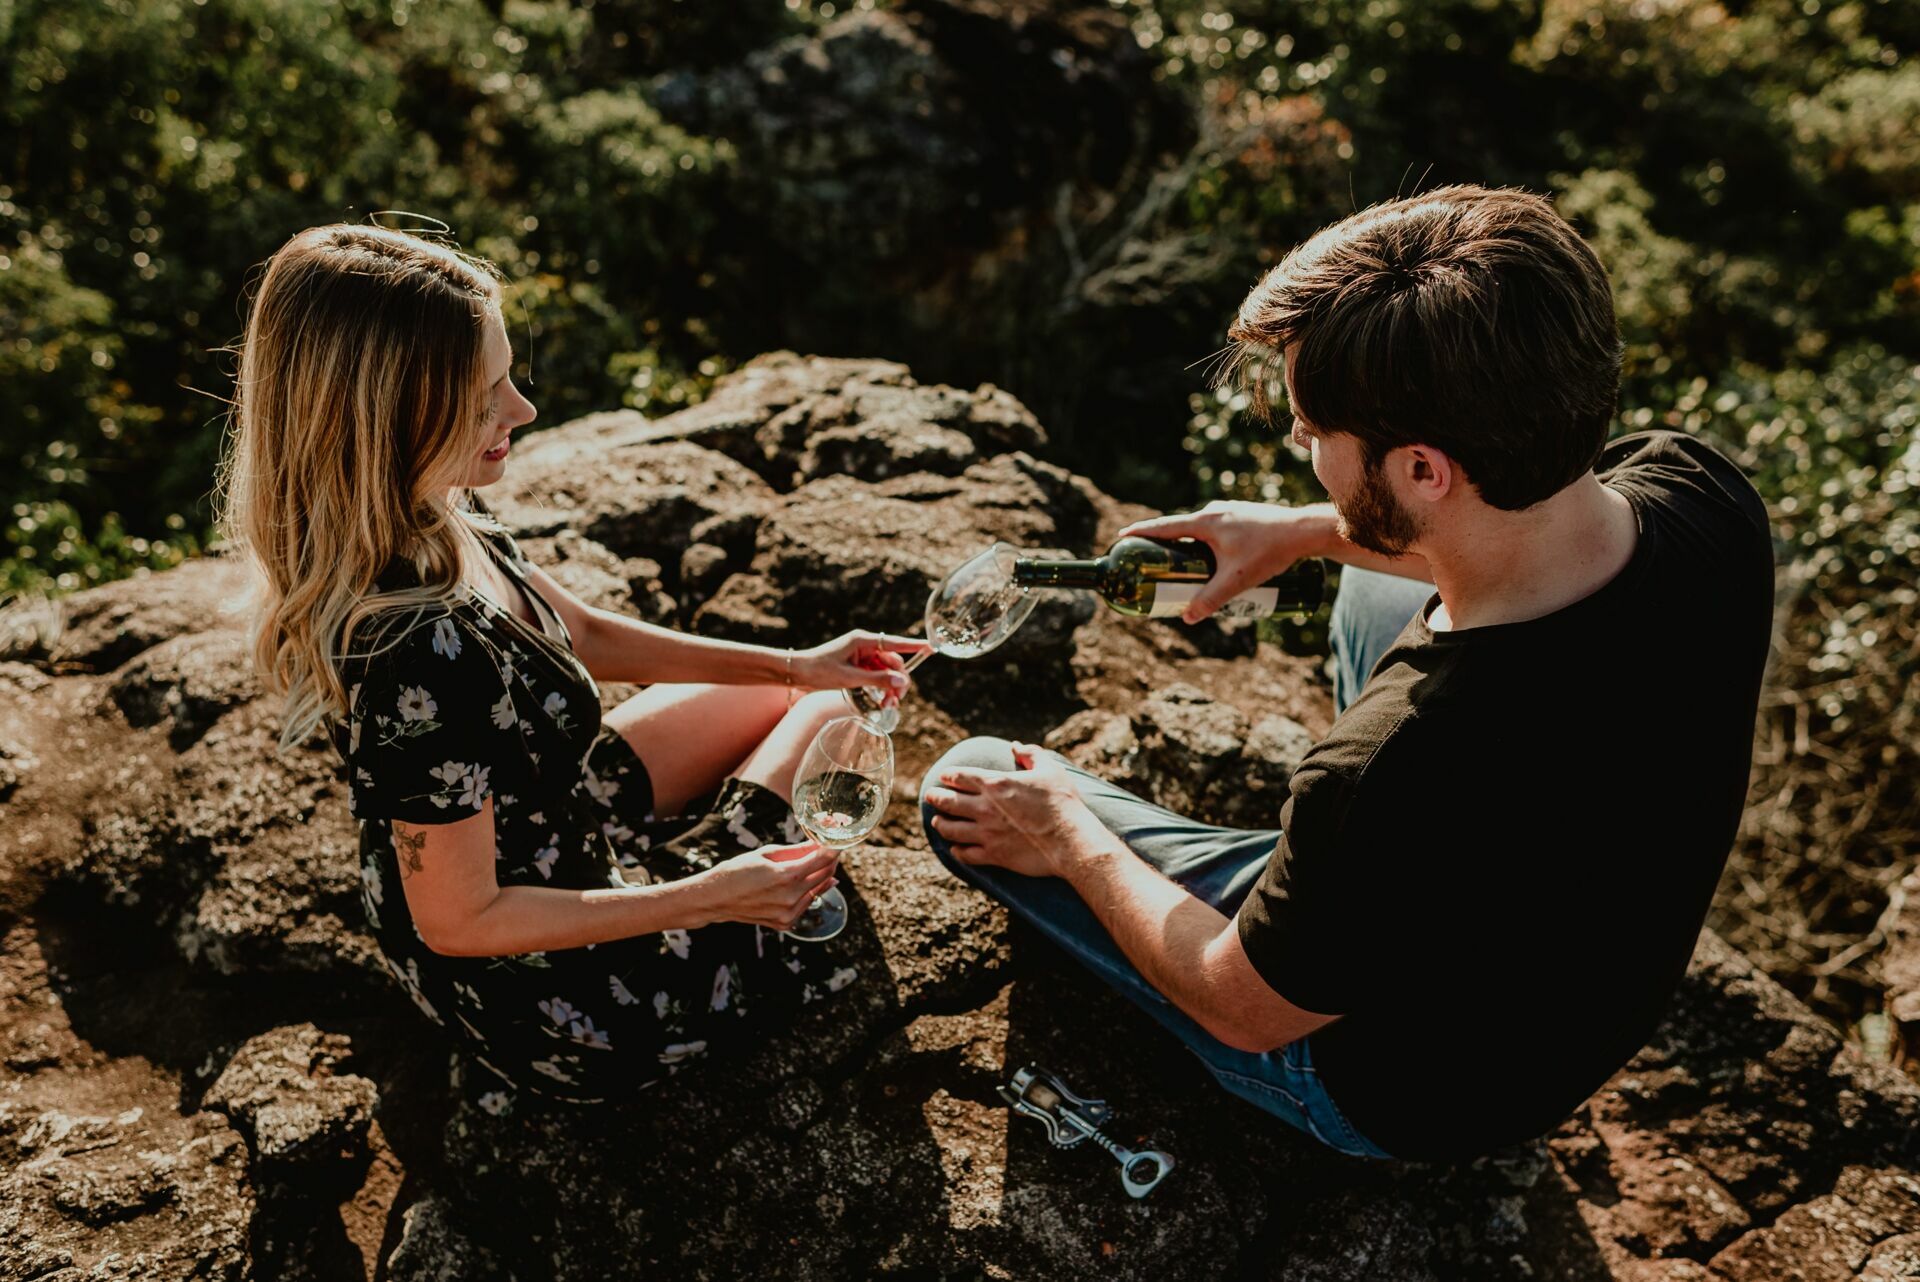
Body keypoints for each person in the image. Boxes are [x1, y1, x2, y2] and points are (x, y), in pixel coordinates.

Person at [920, 184, 1776, 1161]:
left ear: (1421, 471)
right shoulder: (1703, 493)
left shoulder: (1392, 762)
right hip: (1584, 974)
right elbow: (1513, 535)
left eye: (1315, 432)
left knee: (971, 777)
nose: (1296, 445)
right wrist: (1295, 533)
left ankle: (1329, 920)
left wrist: (1066, 835)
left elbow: (1242, 1005)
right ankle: (1356, 903)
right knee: (1367, 592)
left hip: (1416, 1091)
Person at [219, 224, 928, 1104]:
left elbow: (580, 633)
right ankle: (701, 903)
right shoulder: (413, 658)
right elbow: (461, 921)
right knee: (831, 728)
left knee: (819, 699)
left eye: (507, 374)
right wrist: (712, 896)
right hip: (558, 989)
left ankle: (713, 816)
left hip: (551, 810)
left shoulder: (425, 510)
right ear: (388, 420)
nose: (522, 411)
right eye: (485, 398)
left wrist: (795, 664)